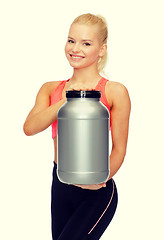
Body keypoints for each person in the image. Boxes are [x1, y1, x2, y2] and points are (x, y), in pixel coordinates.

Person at [23, 13, 131, 240]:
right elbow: (30, 127)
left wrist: (99, 180)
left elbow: (119, 149)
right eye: (71, 40)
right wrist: (67, 100)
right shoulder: (50, 89)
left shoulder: (114, 91)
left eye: (86, 43)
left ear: (102, 49)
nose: (76, 48)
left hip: (97, 192)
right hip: (60, 184)